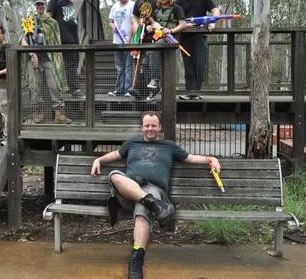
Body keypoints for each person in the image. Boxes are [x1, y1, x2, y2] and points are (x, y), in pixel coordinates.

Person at [90, 111, 221, 279]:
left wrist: (212, 158)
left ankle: (137, 258)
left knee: (143, 209)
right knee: (114, 175)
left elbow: (191, 158)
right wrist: (98, 160)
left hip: (154, 190)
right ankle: (153, 204)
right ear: (142, 127)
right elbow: (114, 154)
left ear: (160, 127)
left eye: (153, 125)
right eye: (147, 125)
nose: (150, 129)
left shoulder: (169, 146)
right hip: (129, 191)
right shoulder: (132, 143)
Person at [22, 0, 72, 124]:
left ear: (45, 5)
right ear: (35, 6)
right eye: (37, 4)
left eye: (42, 4)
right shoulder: (29, 21)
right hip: (34, 60)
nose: (40, 6)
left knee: (54, 86)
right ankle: (38, 114)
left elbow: (57, 39)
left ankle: (59, 114)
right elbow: (22, 40)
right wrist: (32, 54)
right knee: (35, 87)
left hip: (50, 59)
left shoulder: (52, 22)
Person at [174, 0, 220, 100]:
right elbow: (172, 16)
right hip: (185, 37)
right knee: (188, 65)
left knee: (200, 64)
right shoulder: (179, 1)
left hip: (200, 35)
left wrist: (212, 21)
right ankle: (190, 93)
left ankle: (196, 92)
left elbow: (215, 10)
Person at [143, 0, 189, 101]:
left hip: (171, 39)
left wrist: (171, 30)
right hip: (158, 38)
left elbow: (183, 24)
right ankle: (153, 89)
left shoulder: (177, 8)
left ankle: (155, 79)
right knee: (146, 60)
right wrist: (149, 27)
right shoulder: (156, 10)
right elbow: (151, 24)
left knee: (154, 49)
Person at [47, 0, 84, 99]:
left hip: (74, 40)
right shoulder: (56, 0)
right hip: (63, 39)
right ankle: (75, 89)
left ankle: (70, 87)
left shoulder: (72, 5)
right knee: (69, 65)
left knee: (74, 63)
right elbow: (48, 17)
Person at [129, 0, 158, 99]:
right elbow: (134, 16)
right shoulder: (138, 1)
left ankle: (154, 89)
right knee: (141, 64)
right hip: (142, 36)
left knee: (150, 63)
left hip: (155, 35)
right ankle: (144, 90)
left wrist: (155, 24)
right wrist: (135, 24)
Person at [107, 0, 135, 97]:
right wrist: (113, 27)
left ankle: (129, 89)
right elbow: (110, 21)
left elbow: (135, 23)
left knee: (129, 66)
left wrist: (132, 39)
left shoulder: (132, 5)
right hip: (117, 41)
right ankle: (119, 89)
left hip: (129, 41)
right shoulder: (115, 6)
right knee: (119, 66)